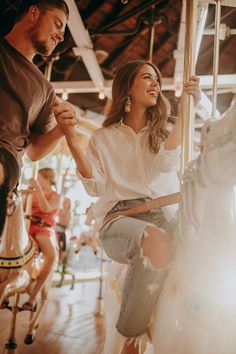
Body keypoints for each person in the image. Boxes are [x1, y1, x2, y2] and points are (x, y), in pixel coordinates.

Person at [56, 59, 200, 353]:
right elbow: (95, 186)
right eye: (147, 77)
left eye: (157, 79)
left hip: (165, 214)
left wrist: (187, 111)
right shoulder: (103, 138)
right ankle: (131, 341)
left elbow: (165, 162)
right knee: (154, 241)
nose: (156, 84)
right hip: (121, 219)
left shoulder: (165, 130)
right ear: (127, 87)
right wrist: (72, 140)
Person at [0, 0, 77, 237]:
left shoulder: (44, 89)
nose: (60, 36)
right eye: (57, 24)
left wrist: (61, 129)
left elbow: (34, 151)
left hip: (5, 155)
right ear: (34, 13)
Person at [23, 167, 60, 310]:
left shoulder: (56, 196)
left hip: (43, 228)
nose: (37, 181)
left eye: (40, 179)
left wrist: (37, 189)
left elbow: (46, 208)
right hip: (27, 226)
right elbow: (23, 207)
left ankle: (33, 298)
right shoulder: (33, 192)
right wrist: (27, 194)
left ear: (48, 179)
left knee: (50, 256)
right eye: (37, 179)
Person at [56, 196, 72, 267]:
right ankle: (56, 259)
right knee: (56, 242)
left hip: (64, 230)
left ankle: (60, 261)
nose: (66, 204)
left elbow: (66, 222)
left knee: (64, 246)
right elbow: (61, 220)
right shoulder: (60, 210)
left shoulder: (70, 213)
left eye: (67, 202)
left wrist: (62, 222)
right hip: (58, 229)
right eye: (65, 202)